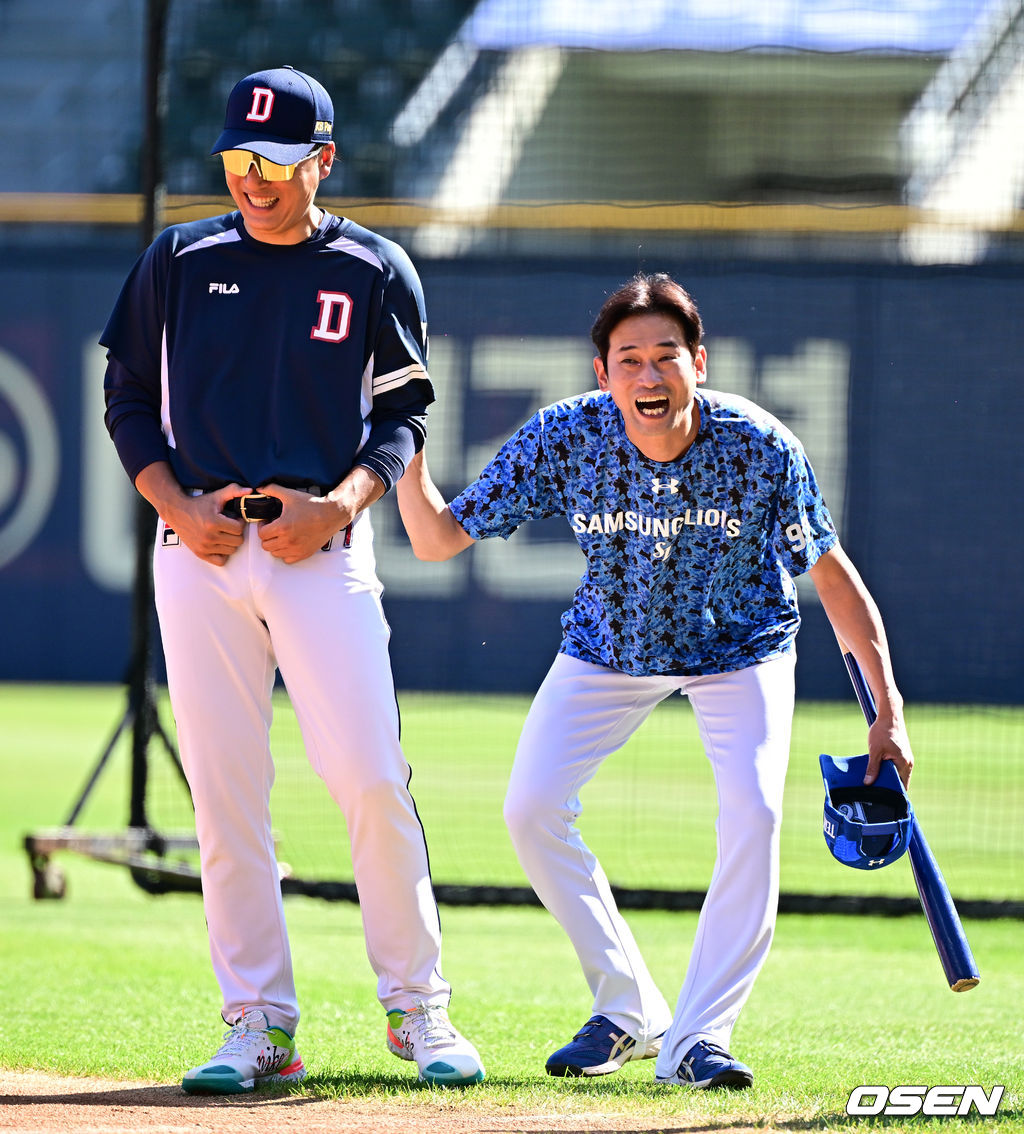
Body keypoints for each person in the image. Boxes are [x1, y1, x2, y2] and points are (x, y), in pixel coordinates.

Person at [395, 272, 913, 1090]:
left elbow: (834, 577)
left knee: (755, 811)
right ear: (602, 374)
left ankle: (699, 1038)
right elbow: (434, 540)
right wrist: (403, 444)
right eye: (628, 358)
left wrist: (888, 715)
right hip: (609, 648)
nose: (648, 374)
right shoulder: (565, 436)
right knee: (529, 809)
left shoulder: (760, 443)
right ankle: (629, 1008)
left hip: (741, 649)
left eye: (665, 355)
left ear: (698, 362)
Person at [100, 65, 484, 1094]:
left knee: (367, 776)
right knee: (225, 798)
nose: (253, 179)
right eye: (237, 159)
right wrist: (177, 506)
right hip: (200, 552)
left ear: (321, 159)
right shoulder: (178, 258)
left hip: (319, 548)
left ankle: (419, 1008)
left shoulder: (371, 266)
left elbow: (401, 418)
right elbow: (127, 395)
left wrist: (340, 506)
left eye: (273, 161)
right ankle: (258, 1022)